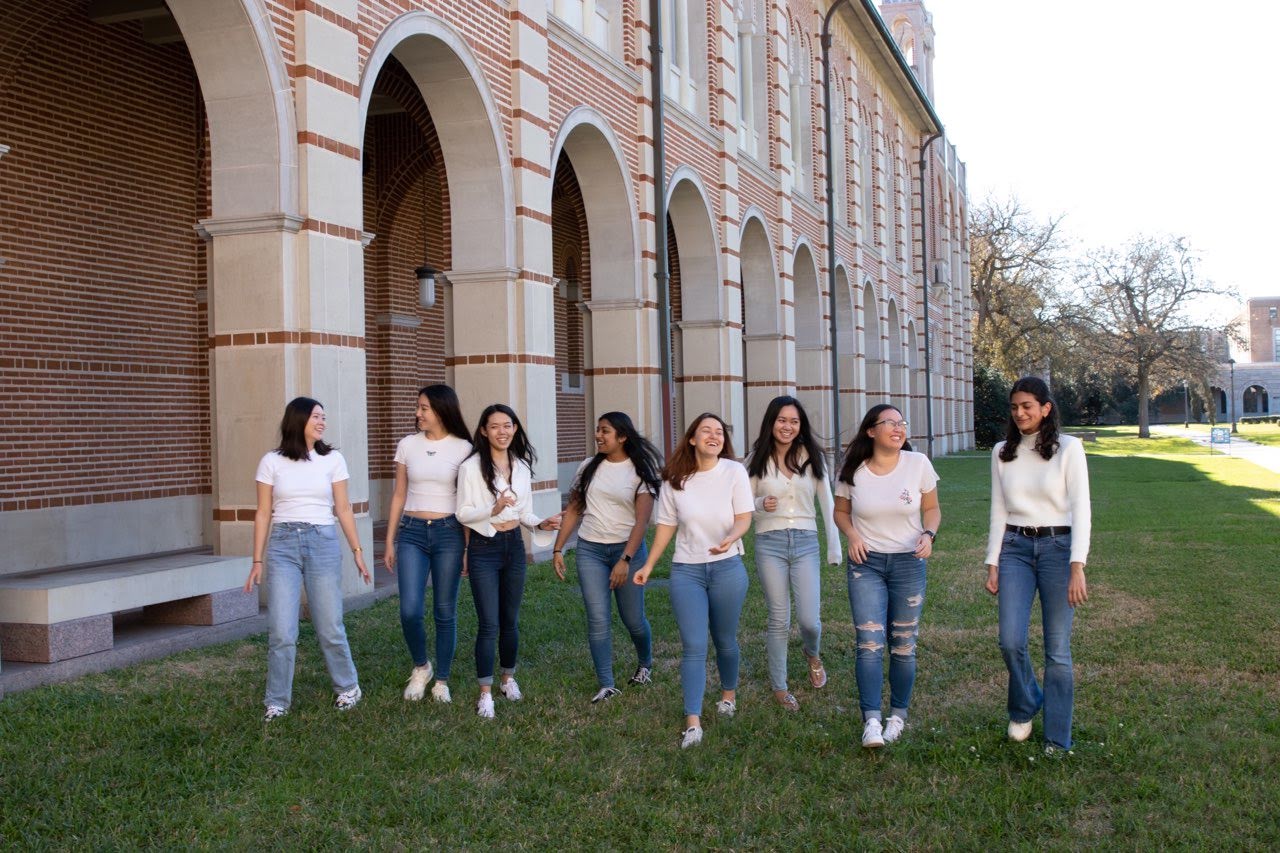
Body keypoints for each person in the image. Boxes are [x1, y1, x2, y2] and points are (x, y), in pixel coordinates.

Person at [244, 397, 371, 721]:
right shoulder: (271, 461)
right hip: (283, 545)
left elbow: (343, 509)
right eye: (317, 416)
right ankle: (277, 701)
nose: (322, 422)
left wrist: (357, 551)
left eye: (324, 417)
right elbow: (262, 513)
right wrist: (256, 560)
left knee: (329, 626)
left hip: (322, 542)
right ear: (298, 419)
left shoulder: (333, 460)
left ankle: (348, 687)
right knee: (282, 632)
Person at [634, 413, 754, 749]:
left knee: (725, 638)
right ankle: (693, 722)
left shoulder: (734, 472)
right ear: (692, 439)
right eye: (706, 431)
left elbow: (744, 517)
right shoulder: (674, 480)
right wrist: (649, 565)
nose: (714, 436)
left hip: (727, 567)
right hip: (687, 570)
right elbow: (666, 527)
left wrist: (731, 537)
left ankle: (728, 695)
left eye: (719, 432)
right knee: (694, 646)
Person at [984, 376, 1090, 755]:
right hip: (1014, 547)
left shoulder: (1070, 449)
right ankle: (1026, 703)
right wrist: (992, 560)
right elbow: (998, 509)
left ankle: (1057, 737)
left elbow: (1082, 509)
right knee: (1010, 640)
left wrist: (1077, 565)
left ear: (1045, 408)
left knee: (1057, 650)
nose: (1020, 413)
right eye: (1014, 407)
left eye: (1027, 406)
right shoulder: (1001, 452)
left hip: (1058, 548)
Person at [834, 404, 940, 748]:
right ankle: (871, 721)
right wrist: (852, 537)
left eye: (902, 423)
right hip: (866, 565)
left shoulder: (918, 463)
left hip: (908, 563)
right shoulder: (853, 469)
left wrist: (928, 535)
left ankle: (897, 716)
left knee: (904, 645)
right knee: (869, 643)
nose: (898, 428)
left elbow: (932, 508)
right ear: (871, 431)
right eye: (890, 423)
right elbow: (840, 512)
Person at [456, 403, 561, 719]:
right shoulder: (471, 467)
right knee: (489, 623)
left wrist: (540, 523)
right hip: (483, 547)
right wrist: (493, 507)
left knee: (510, 620)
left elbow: (523, 512)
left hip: (513, 546)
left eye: (508, 425)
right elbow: (462, 512)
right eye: (495, 426)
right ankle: (485, 692)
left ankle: (508, 679)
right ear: (484, 431)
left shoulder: (521, 466)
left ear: (515, 429)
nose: (502, 431)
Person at [552, 413, 663, 704]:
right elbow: (574, 509)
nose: (598, 435)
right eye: (597, 430)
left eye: (605, 431)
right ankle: (606, 684)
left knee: (633, 620)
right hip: (590, 550)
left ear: (622, 436)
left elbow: (641, 522)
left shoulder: (640, 470)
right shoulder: (589, 466)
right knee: (598, 619)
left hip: (627, 551)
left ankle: (645, 664)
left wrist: (625, 559)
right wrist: (558, 548)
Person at [745, 396, 841, 711]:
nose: (787, 426)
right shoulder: (756, 459)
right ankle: (780, 687)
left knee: (809, 620)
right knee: (779, 618)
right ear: (772, 422)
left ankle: (812, 654)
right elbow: (742, 506)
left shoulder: (813, 457)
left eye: (794, 421)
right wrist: (760, 504)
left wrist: (834, 547)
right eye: (782, 420)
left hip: (805, 542)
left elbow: (828, 503)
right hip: (769, 542)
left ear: (801, 426)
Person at [383, 384, 472, 704]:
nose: (417, 413)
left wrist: (466, 547)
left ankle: (442, 680)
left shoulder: (463, 448)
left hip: (449, 532)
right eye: (418, 407)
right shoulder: (407, 444)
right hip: (412, 532)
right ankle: (422, 667)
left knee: (444, 611)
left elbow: (466, 500)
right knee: (409, 610)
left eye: (423, 408)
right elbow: (399, 494)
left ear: (441, 410)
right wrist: (390, 540)